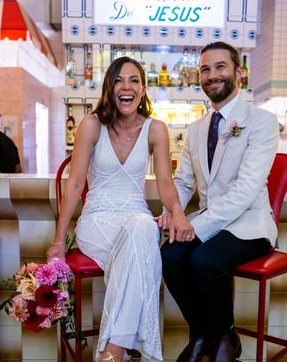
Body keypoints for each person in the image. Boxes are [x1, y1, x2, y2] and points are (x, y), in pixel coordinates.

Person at [45, 56, 194, 362]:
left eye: (134, 80)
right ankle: (127, 350)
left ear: (143, 89)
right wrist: (59, 239)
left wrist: (177, 211)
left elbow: (165, 182)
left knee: (142, 228)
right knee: (144, 242)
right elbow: (74, 185)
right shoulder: (91, 125)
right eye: (118, 81)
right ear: (109, 88)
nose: (126, 87)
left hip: (135, 216)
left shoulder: (156, 130)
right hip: (97, 219)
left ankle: (113, 351)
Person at [158, 42, 279, 362]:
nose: (212, 75)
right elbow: (183, 182)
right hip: (211, 222)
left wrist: (194, 227)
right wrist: (172, 213)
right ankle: (205, 334)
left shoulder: (262, 121)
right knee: (169, 256)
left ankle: (224, 335)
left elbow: (247, 190)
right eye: (205, 69)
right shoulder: (196, 129)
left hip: (249, 224)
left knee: (204, 260)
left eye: (220, 67)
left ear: (239, 73)